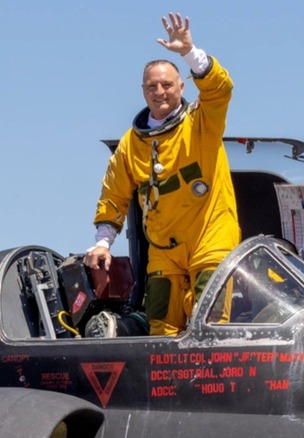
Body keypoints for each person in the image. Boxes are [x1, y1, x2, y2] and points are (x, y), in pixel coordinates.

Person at [84, 12, 241, 337]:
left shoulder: (201, 123)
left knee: (209, 325)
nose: (160, 91)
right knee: (160, 328)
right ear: (143, 91)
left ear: (181, 86)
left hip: (209, 239)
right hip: (164, 249)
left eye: (167, 84)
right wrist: (102, 244)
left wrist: (189, 52)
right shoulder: (131, 144)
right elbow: (114, 194)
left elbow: (220, 90)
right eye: (152, 86)